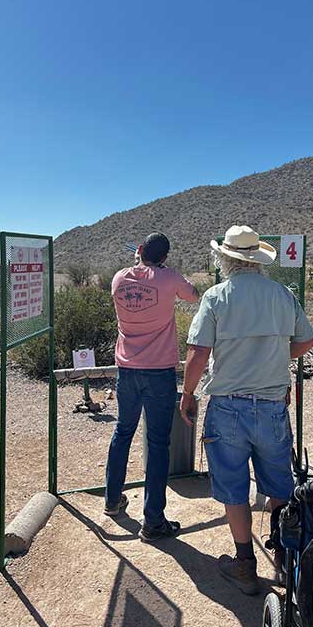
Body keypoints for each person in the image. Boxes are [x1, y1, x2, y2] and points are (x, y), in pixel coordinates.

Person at [180, 225, 313, 595]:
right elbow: (307, 339)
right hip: (272, 407)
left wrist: (188, 392)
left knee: (232, 487)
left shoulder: (216, 297)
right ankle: (287, 564)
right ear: (257, 259)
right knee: (279, 486)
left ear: (225, 258)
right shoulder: (281, 295)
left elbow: (198, 353)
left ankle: (244, 564)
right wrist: (273, 359)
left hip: (227, 409)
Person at [104, 232, 199, 542]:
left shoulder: (119, 278)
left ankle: (112, 500)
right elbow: (193, 295)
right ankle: (153, 521)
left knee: (122, 433)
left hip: (126, 371)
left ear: (140, 250)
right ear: (165, 257)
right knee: (158, 444)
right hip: (158, 372)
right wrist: (164, 272)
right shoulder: (169, 278)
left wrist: (140, 265)